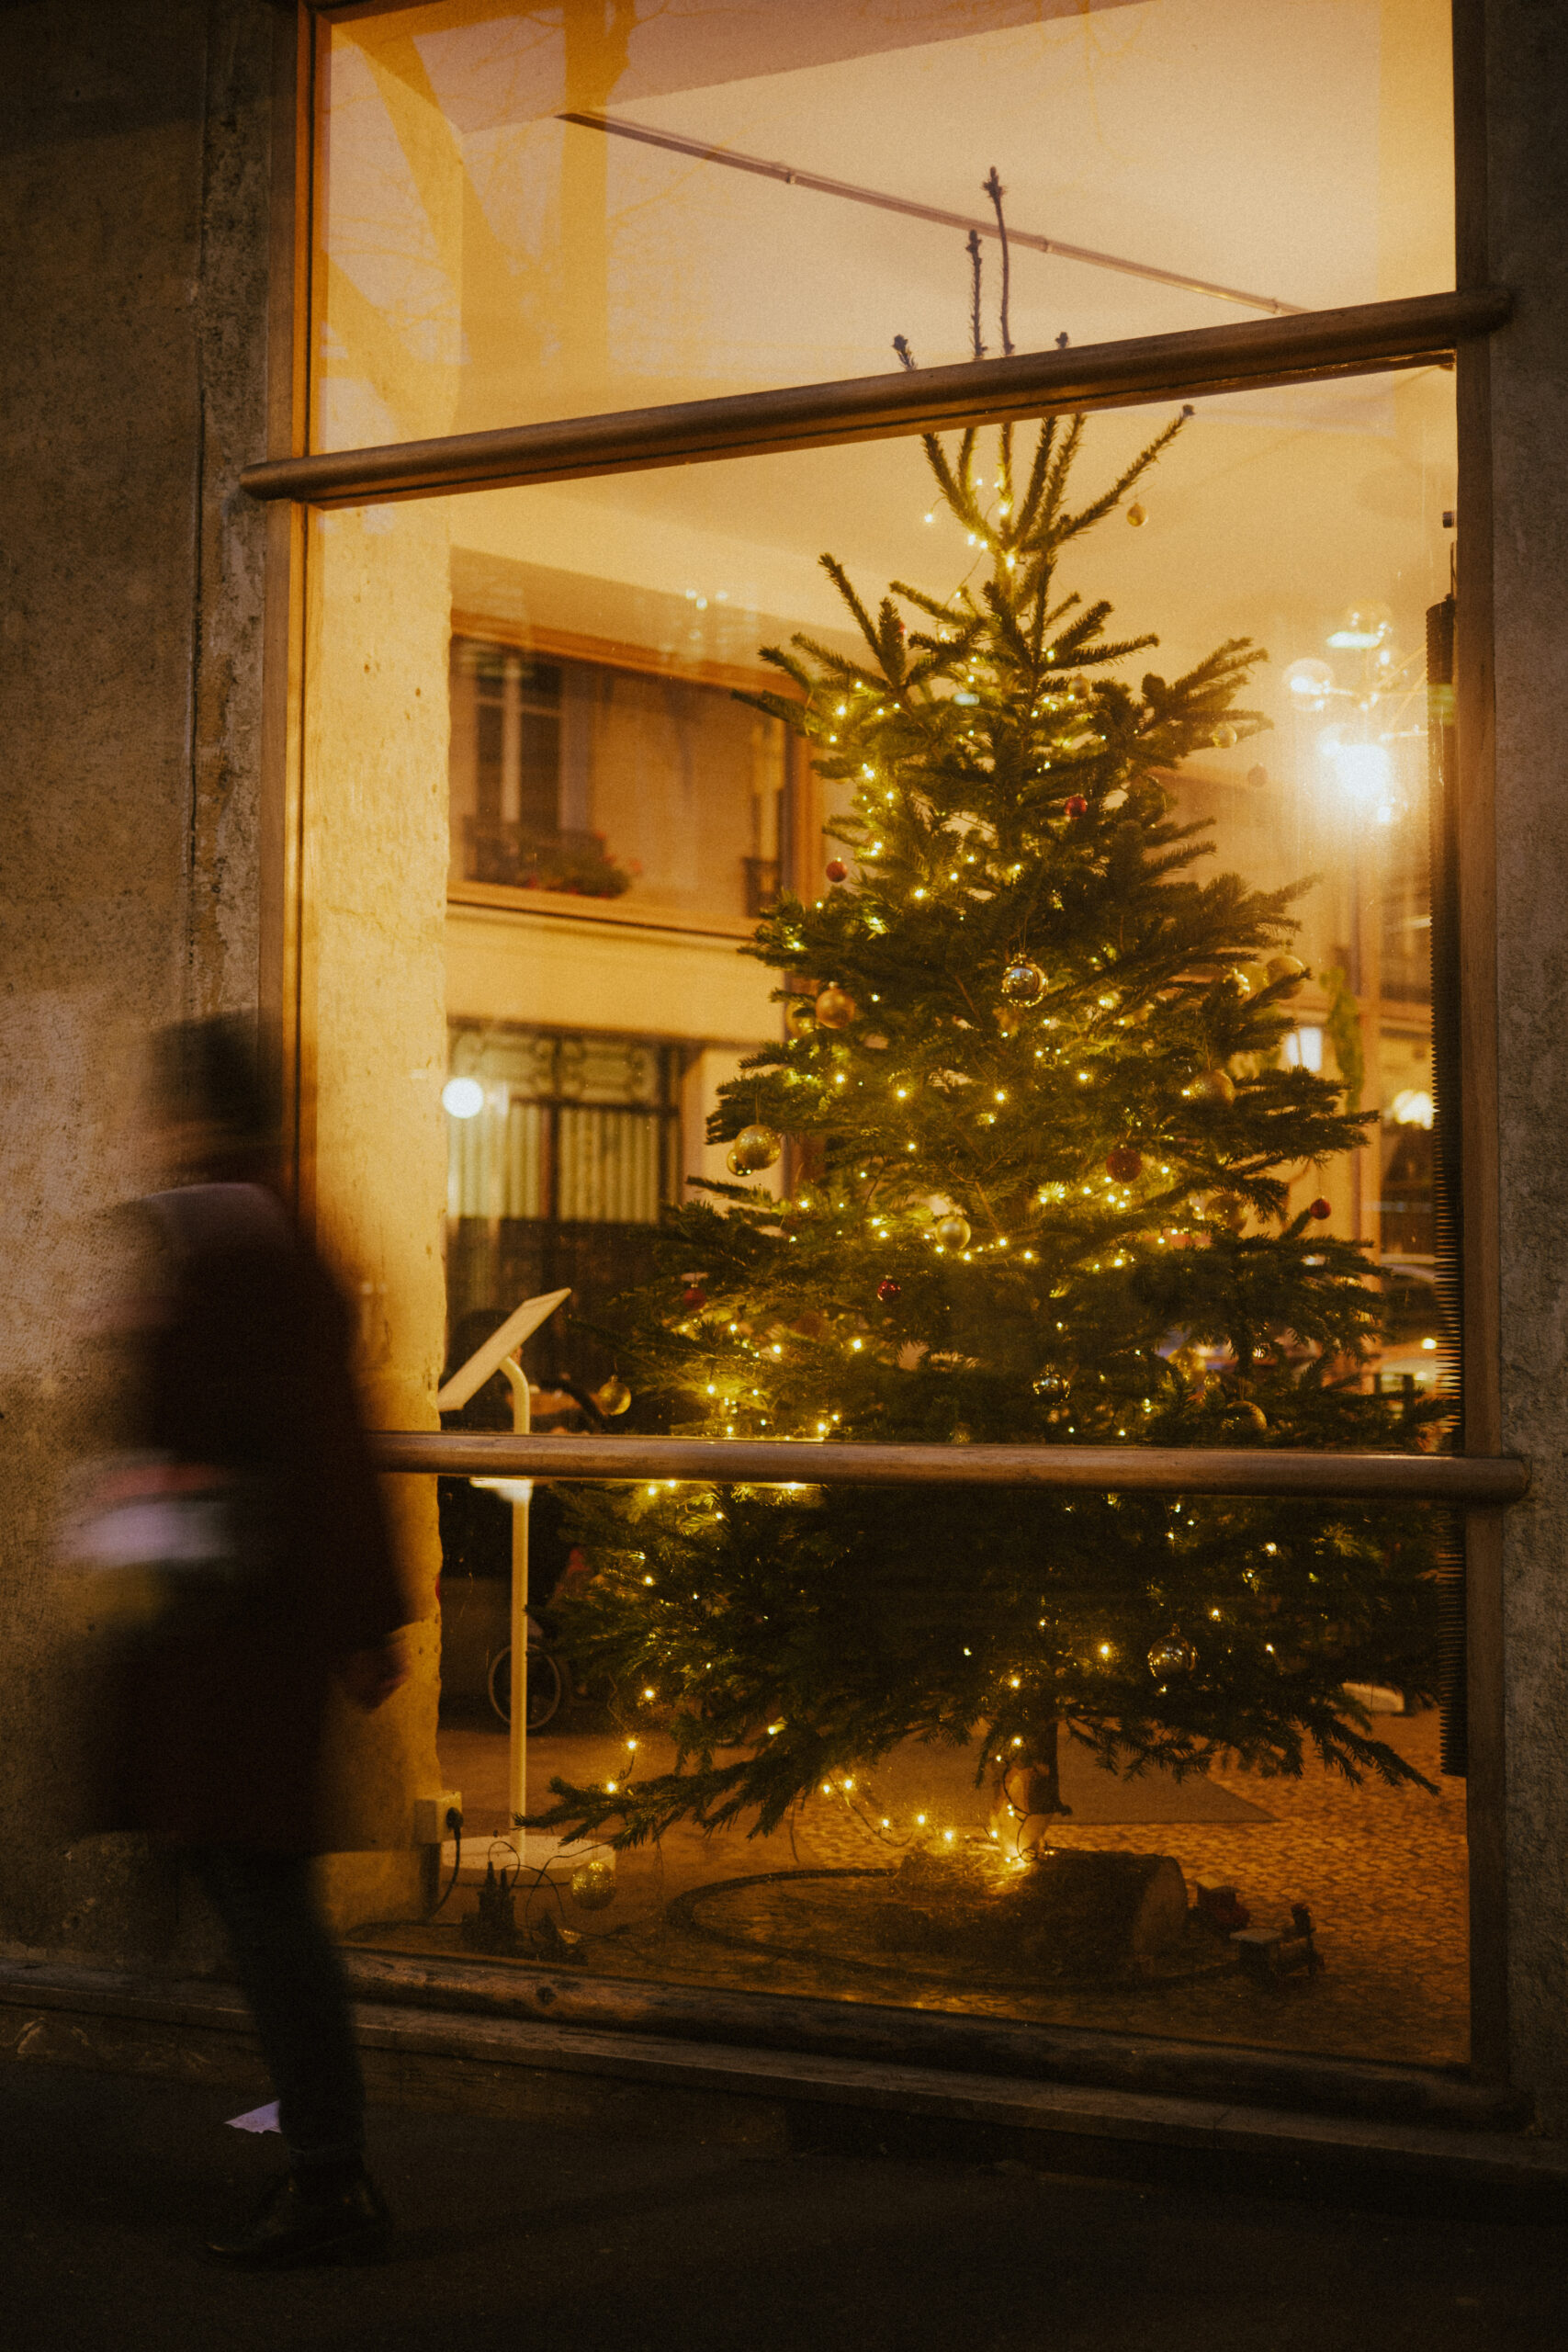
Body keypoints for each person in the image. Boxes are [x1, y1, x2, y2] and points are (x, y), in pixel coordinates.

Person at [103, 1016, 412, 2267]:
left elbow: (311, 1437)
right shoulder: (251, 1232)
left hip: (236, 1624)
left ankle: (331, 2171)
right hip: (227, 1620)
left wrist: (364, 1621)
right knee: (251, 1884)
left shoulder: (234, 1244)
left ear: (203, 1113)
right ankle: (321, 2155)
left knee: (268, 1898)